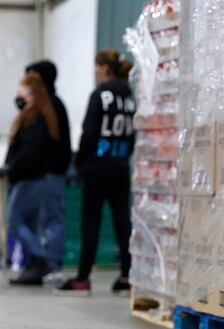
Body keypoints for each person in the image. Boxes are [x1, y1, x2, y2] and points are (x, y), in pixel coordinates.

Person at [57, 50, 135, 293]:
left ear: (103, 68)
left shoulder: (100, 95)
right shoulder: (129, 95)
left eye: (96, 66)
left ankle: (82, 277)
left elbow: (89, 132)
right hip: (120, 165)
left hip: (97, 166)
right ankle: (127, 275)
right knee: (123, 222)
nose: (94, 71)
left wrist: (80, 162)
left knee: (90, 223)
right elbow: (133, 132)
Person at [5, 72, 60, 284]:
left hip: (30, 179)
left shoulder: (37, 121)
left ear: (34, 95)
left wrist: (14, 168)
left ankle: (39, 258)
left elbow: (29, 154)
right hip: (29, 179)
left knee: (15, 221)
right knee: (29, 222)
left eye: (23, 94)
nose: (19, 98)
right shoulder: (29, 118)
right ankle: (32, 266)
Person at [26, 61, 71, 285]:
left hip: (51, 173)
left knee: (52, 219)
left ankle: (53, 265)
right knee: (45, 220)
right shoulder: (44, 105)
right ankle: (45, 262)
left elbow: (53, 145)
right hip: (46, 174)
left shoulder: (52, 105)